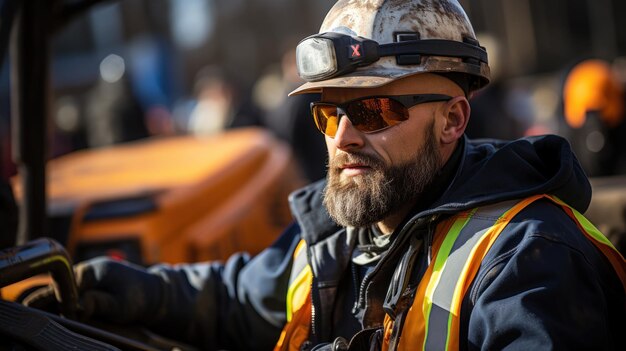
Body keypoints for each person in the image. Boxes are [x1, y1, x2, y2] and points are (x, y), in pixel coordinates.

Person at [25, 1, 626, 350]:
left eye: (373, 110)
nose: (342, 136)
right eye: (327, 111)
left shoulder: (528, 260)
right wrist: (104, 287)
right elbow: (234, 296)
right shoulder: (345, 234)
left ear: (453, 119)